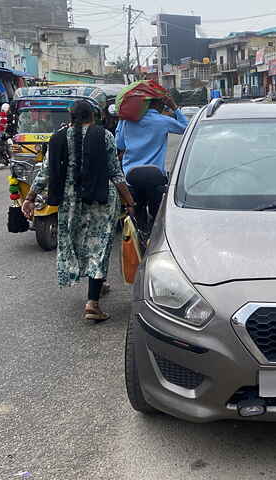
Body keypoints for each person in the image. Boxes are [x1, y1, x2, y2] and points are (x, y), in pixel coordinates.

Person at [22, 100, 136, 322]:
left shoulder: (58, 138)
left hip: (70, 200)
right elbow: (116, 173)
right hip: (101, 200)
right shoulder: (104, 136)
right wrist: (129, 201)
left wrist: (30, 198)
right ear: (93, 116)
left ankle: (98, 284)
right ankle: (92, 303)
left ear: (70, 116)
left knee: (78, 242)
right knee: (99, 245)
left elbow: (46, 172)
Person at [115, 96, 188, 233]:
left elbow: (119, 144)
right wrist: (175, 108)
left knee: (137, 218)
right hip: (155, 177)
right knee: (157, 219)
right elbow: (186, 128)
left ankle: (140, 241)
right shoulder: (163, 121)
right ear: (158, 104)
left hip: (131, 177)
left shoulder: (128, 122)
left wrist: (121, 120)